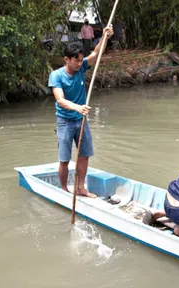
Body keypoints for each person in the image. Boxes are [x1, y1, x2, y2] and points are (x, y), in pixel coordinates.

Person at [48, 26, 114, 198]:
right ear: (66, 59)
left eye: (80, 60)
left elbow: (96, 53)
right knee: (64, 159)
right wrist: (77, 107)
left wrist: (105, 37)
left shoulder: (82, 67)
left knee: (84, 155)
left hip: (81, 120)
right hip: (65, 121)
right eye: (76, 61)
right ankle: (64, 190)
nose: (79, 64)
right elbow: (60, 100)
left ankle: (80, 188)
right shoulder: (56, 75)